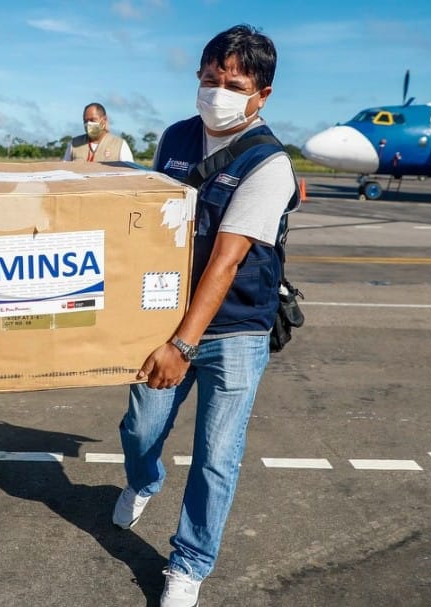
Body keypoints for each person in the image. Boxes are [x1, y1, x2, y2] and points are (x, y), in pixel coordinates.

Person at [111, 24, 299, 607]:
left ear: (261, 95)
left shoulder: (269, 164)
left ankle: (189, 562)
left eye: (233, 83)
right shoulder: (175, 137)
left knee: (217, 455)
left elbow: (224, 263)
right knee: (141, 427)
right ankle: (144, 479)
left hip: (234, 327)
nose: (218, 90)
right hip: (163, 311)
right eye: (210, 79)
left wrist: (182, 347)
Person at [62, 102, 134, 162]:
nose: (88, 124)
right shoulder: (74, 144)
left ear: (104, 120)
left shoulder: (119, 145)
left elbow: (130, 174)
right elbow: (64, 171)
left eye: (93, 120)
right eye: (85, 121)